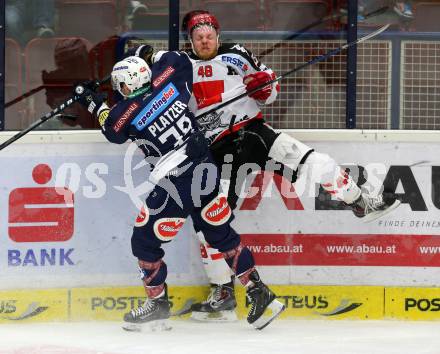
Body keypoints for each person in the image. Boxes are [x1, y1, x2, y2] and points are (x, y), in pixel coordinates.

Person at [130, 9, 402, 322]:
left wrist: (264, 86)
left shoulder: (238, 55)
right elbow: (140, 62)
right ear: (190, 39)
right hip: (216, 150)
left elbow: (269, 94)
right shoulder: (176, 63)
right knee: (211, 226)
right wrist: (141, 53)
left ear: (218, 35)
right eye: (198, 36)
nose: (205, 41)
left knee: (318, 162)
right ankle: (222, 293)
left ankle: (361, 203)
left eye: (210, 35)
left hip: (254, 133)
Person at [73, 53, 285, 331]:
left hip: (176, 182)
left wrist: (90, 100)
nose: (119, 91)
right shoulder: (169, 81)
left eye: (119, 86)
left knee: (144, 242)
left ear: (126, 85)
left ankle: (158, 305)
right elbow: (178, 58)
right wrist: (149, 54)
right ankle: (261, 294)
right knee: (220, 234)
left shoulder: (126, 112)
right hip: (205, 169)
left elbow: (111, 127)